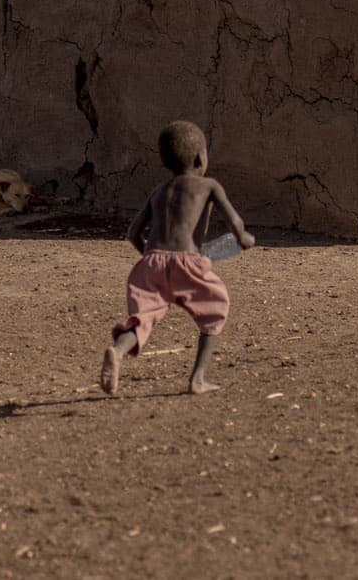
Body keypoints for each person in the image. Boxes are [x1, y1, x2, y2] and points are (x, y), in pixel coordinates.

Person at [99, 120, 255, 396]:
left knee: (142, 318)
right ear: (200, 158)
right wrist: (244, 239)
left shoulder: (159, 191)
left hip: (151, 261)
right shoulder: (209, 185)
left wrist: (152, 258)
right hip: (188, 261)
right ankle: (198, 378)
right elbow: (234, 221)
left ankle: (118, 352)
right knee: (215, 309)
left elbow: (133, 233)